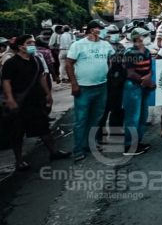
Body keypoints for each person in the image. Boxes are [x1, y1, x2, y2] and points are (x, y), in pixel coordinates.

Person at [1, 35, 71, 170]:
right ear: (21, 47)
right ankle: (19, 161)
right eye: (29, 43)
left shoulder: (36, 60)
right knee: (17, 133)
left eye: (33, 43)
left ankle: (53, 152)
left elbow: (42, 78)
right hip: (19, 103)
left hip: (35, 101)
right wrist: (10, 99)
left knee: (44, 128)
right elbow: (6, 82)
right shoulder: (11, 63)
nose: (32, 45)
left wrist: (48, 94)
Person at [66, 20, 115, 162]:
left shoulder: (105, 44)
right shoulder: (78, 45)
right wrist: (74, 84)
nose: (103, 31)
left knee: (96, 118)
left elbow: (111, 58)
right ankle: (78, 149)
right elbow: (69, 64)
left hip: (102, 86)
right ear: (93, 30)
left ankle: (89, 145)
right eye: (100, 29)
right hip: (84, 88)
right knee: (81, 120)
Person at [122, 28, 154, 155]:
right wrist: (143, 80)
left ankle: (137, 142)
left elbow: (150, 68)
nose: (147, 37)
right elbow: (129, 72)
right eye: (144, 35)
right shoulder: (130, 52)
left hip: (144, 86)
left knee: (142, 116)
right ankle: (129, 145)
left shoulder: (146, 51)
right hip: (133, 86)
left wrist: (148, 78)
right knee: (133, 117)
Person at [96, 24, 126, 143]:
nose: (114, 35)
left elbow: (123, 63)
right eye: (110, 32)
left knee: (118, 109)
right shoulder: (100, 46)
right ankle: (99, 136)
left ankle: (115, 133)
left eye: (115, 32)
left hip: (118, 82)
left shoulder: (120, 47)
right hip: (103, 82)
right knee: (103, 110)